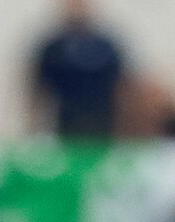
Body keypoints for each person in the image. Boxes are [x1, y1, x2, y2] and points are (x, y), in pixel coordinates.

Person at [29, 0, 128, 140]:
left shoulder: (106, 47)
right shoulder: (53, 48)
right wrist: (31, 130)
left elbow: (122, 91)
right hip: (63, 128)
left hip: (102, 128)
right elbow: (37, 93)